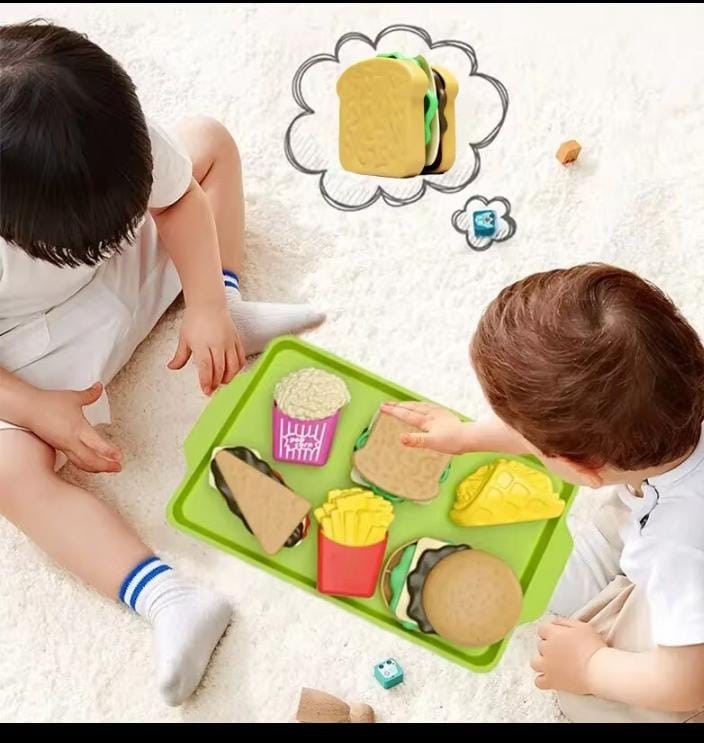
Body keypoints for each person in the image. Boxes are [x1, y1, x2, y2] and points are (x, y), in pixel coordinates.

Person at [0, 20, 323, 705]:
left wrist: (208, 302)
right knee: (7, 474)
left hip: (125, 274)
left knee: (210, 141)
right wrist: (36, 409)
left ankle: (230, 313)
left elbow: (176, 200)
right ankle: (167, 596)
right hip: (34, 357)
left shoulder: (105, 133)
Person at [384, 263, 704, 722]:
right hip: (661, 507)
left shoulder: (678, 551)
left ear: (583, 469)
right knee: (606, 537)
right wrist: (468, 437)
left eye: (527, 439)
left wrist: (590, 666)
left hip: (686, 657)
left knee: (587, 699)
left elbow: (686, 682)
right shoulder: (673, 399)